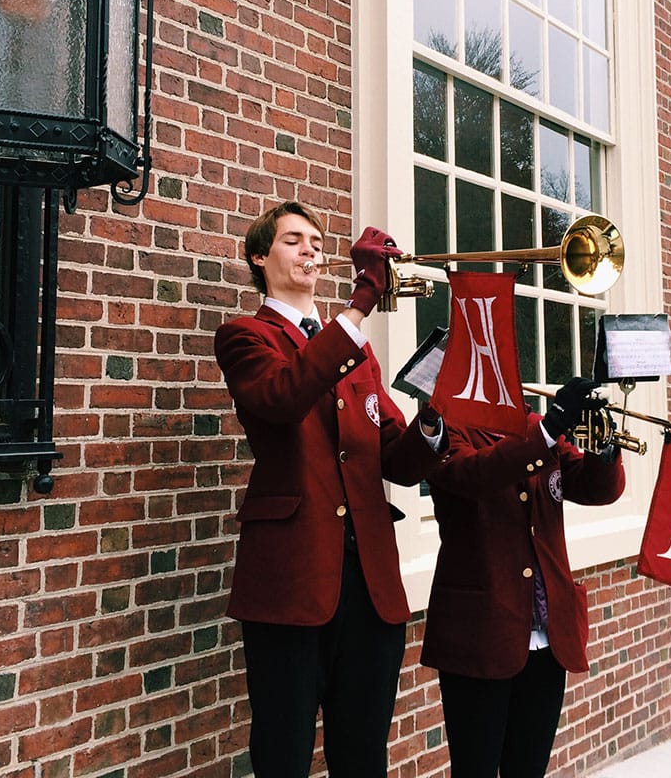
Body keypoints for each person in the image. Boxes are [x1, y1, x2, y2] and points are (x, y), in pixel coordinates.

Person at [214, 200, 446, 778]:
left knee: (363, 752)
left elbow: (398, 460)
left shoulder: (355, 350)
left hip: (369, 584)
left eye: (317, 241)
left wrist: (437, 417)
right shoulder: (245, 336)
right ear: (259, 258)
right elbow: (283, 397)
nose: (311, 249)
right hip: (290, 580)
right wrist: (361, 302)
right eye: (293, 240)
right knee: (283, 751)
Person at [421, 377, 625, 778]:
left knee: (529, 768)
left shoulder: (534, 425)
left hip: (548, 637)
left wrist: (604, 444)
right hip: (481, 634)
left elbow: (595, 488)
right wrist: (548, 430)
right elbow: (474, 475)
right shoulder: (448, 428)